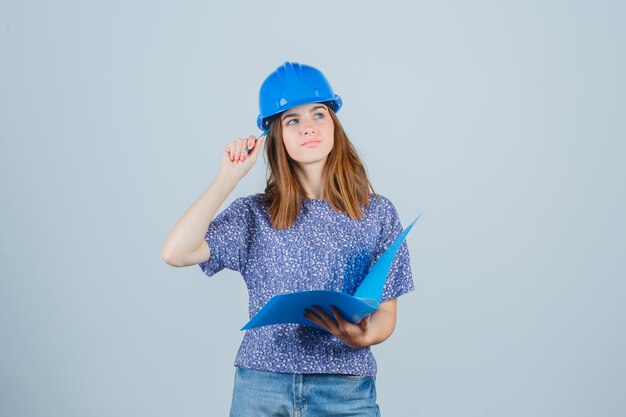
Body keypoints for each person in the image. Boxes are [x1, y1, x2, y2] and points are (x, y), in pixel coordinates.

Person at [161, 62, 414, 417]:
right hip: (262, 386)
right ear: (276, 135)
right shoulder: (254, 214)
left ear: (334, 124)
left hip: (345, 387)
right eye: (292, 120)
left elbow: (387, 312)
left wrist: (365, 337)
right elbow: (176, 252)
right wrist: (228, 178)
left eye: (318, 114)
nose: (308, 127)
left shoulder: (377, 213)